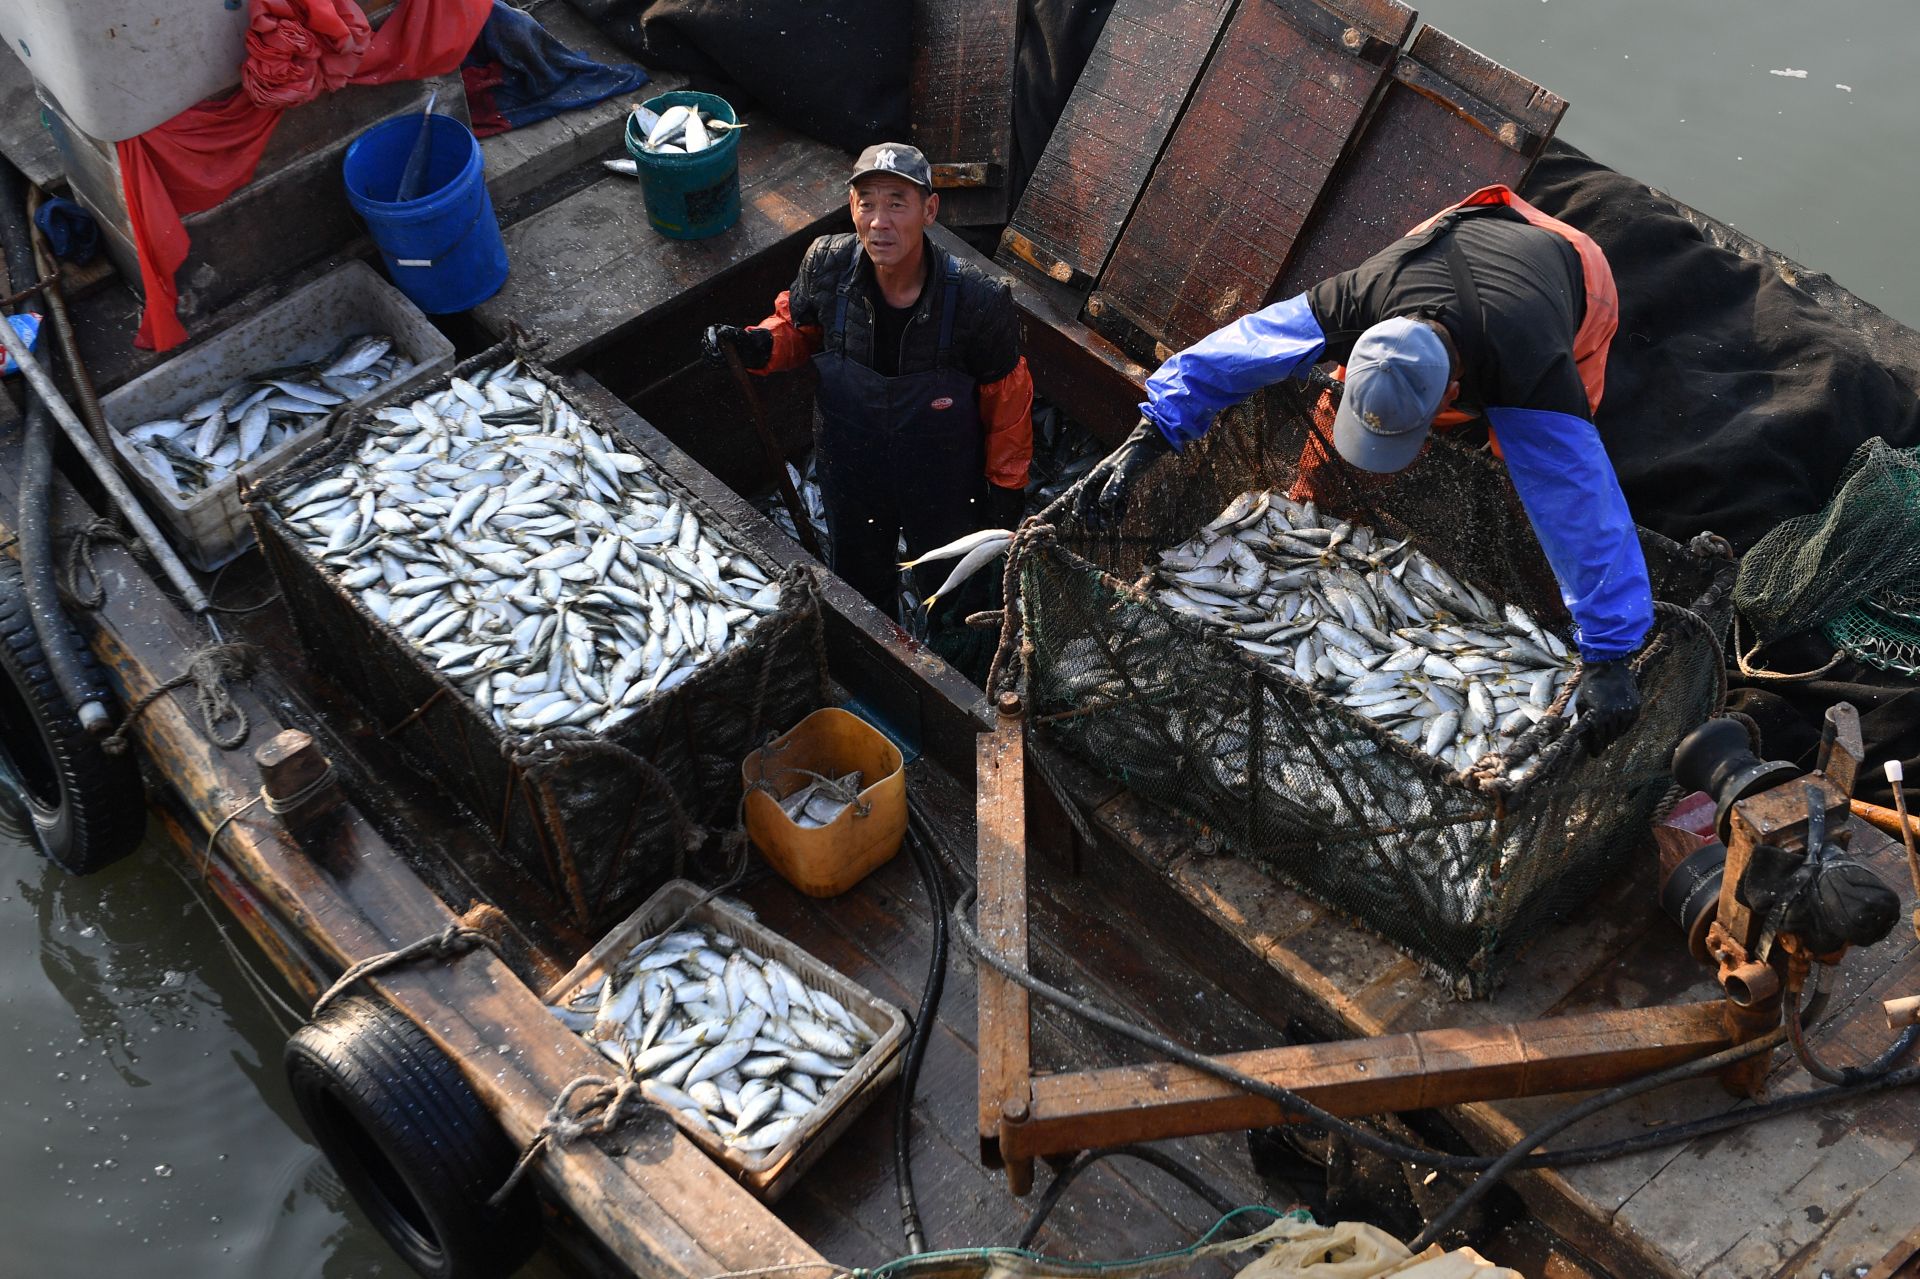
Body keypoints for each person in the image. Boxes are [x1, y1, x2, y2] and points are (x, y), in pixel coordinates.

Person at [1077, 184, 1651, 755]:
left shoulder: (1535, 376)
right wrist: (1153, 431)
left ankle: (1567, 604)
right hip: (1453, 237)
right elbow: (1243, 349)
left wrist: (1610, 653)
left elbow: (1579, 501)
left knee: (1532, 468)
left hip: (1573, 279)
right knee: (1349, 428)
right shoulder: (1358, 299)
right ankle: (1329, 499)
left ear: (1451, 390)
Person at [702, 142, 1033, 645]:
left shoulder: (978, 300)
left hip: (942, 482)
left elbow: (1008, 407)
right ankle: (878, 660)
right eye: (867, 202)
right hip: (850, 468)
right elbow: (799, 330)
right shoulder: (827, 265)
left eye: (897, 202)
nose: (880, 221)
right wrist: (756, 345)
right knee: (859, 586)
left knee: (956, 598)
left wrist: (1005, 501)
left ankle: (957, 674)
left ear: (930, 210)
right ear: (851, 206)